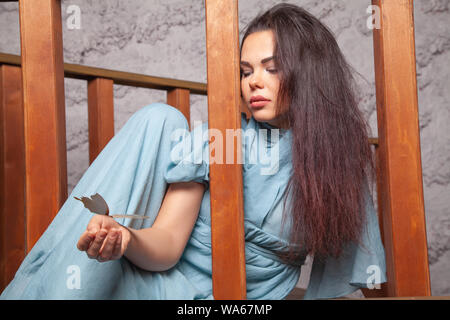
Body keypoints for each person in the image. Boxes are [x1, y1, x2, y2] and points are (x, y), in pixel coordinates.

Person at [0, 3, 386, 300]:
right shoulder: (221, 140)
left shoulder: (338, 161)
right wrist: (126, 238)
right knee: (161, 118)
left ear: (311, 73)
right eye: (245, 70)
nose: (253, 82)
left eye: (271, 68)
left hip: (245, 299)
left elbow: (362, 272)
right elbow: (167, 245)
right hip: (169, 286)